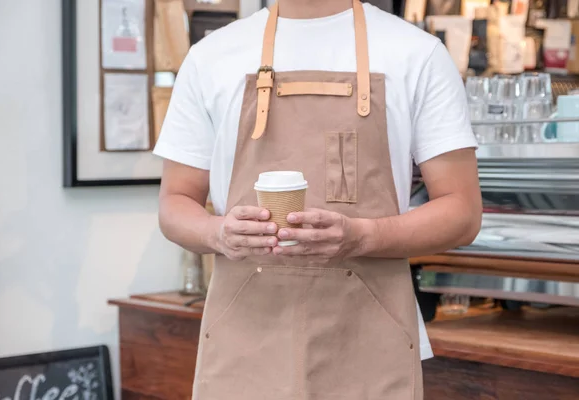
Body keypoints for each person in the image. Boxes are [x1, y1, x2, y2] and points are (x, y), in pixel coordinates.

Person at [154, 0, 482, 398]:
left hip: (369, 344)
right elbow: (174, 202)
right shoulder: (209, 57)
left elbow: (463, 212)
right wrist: (218, 233)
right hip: (243, 343)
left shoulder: (418, 53)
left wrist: (362, 236)